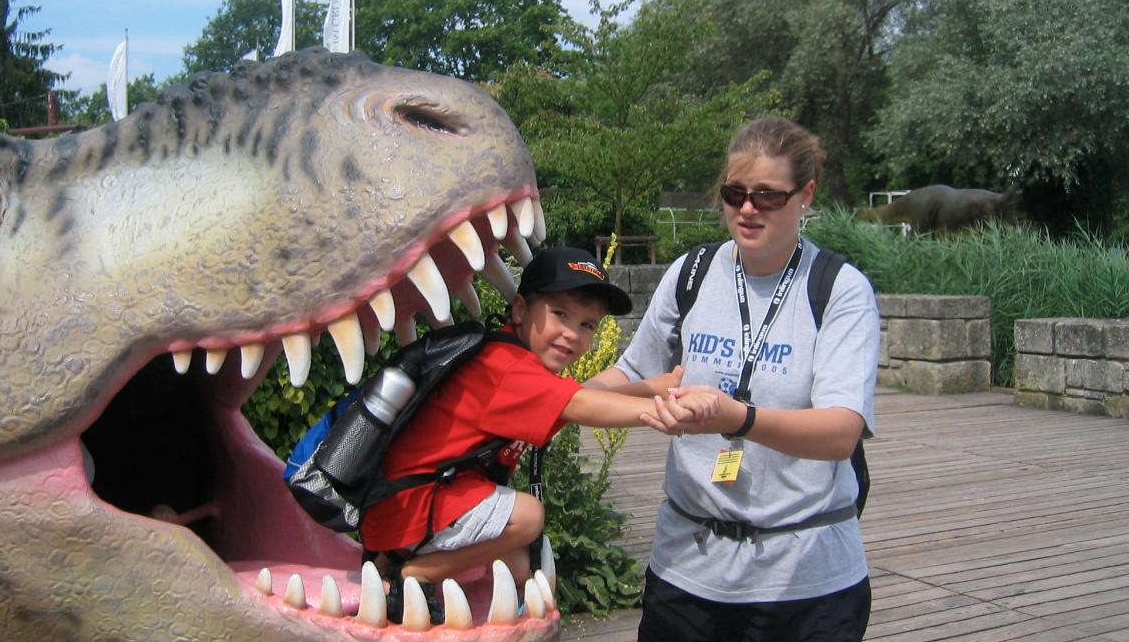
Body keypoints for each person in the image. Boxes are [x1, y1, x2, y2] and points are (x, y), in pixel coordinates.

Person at [588, 117, 880, 642]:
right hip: (687, 573)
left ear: (805, 195)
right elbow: (634, 372)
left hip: (806, 582)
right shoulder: (692, 274)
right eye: (734, 193)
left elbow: (841, 433)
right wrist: (559, 400)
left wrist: (737, 419)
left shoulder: (838, 289)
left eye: (768, 196)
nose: (747, 209)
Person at [363, 246, 716, 621]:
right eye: (560, 314)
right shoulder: (507, 369)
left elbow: (578, 399)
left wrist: (653, 388)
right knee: (529, 517)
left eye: (586, 325)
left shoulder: (515, 362)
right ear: (519, 309)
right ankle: (410, 575)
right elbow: (582, 406)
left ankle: (409, 566)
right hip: (410, 509)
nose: (571, 335)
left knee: (519, 563)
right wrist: (666, 412)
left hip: (415, 505)